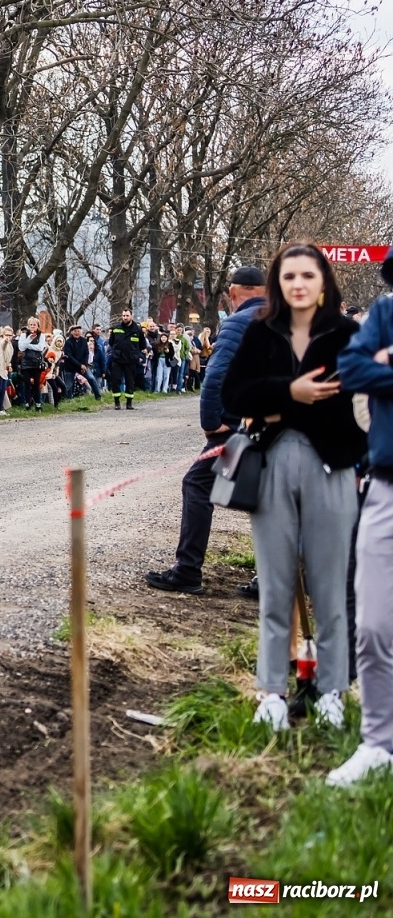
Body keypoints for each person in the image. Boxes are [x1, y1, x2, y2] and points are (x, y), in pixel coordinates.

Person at [222, 244, 363, 733]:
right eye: (288, 276)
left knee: (331, 590)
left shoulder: (347, 334)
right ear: (277, 285)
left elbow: (359, 402)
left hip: (335, 466)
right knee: (275, 588)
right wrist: (290, 392)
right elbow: (232, 394)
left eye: (308, 275)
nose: (298, 284)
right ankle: (272, 693)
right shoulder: (261, 331)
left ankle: (332, 692)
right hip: (274, 465)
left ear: (324, 281)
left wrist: (279, 402)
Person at [144, 266, 267, 595]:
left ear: (234, 292)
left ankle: (187, 570)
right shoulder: (288, 321)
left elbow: (216, 375)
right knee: (272, 497)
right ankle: (274, 577)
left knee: (197, 484)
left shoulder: (239, 323)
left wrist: (212, 423)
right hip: (282, 426)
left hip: (237, 432)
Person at [334, 249, 393, 784]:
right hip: (386, 486)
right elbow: (350, 368)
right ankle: (379, 744)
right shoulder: (384, 312)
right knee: (373, 626)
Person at [107, 309, 147, 409]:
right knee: (115, 380)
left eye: (127, 315)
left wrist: (135, 353)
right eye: (124, 315)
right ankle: (117, 402)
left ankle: (129, 403)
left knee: (130, 382)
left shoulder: (137, 330)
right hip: (117, 359)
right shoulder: (116, 328)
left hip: (131, 360)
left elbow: (142, 345)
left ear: (131, 316)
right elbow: (111, 342)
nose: (125, 317)